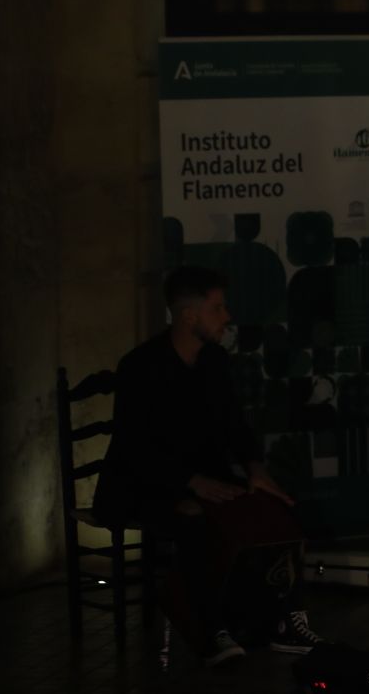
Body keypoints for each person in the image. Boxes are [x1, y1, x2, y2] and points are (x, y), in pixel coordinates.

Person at [93, 266, 322, 667]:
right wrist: (189, 481)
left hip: (202, 478)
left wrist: (254, 466)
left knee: (275, 508)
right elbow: (134, 445)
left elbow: (233, 421)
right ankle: (210, 626)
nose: (227, 317)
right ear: (189, 316)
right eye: (217, 308)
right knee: (194, 520)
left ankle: (283, 621)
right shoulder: (140, 366)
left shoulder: (214, 360)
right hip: (144, 482)